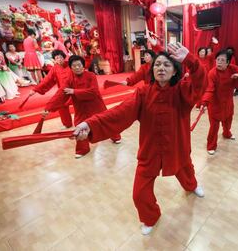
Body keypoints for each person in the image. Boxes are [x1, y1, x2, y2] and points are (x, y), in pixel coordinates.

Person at [73, 43, 206, 235]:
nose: (161, 68)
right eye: (157, 64)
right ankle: (151, 216)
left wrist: (191, 60)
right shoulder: (143, 93)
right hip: (150, 151)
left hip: (177, 147)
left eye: (167, 65)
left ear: (175, 70)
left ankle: (192, 186)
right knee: (139, 194)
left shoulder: (183, 91)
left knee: (185, 170)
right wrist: (90, 124)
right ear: (152, 70)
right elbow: (119, 113)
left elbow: (201, 83)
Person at [43, 55, 121, 158]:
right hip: (81, 109)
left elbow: (94, 92)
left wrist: (74, 91)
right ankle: (82, 149)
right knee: (80, 127)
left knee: (105, 122)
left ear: (83, 66)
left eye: (79, 65)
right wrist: (48, 108)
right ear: (70, 67)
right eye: (74, 66)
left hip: (96, 106)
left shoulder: (91, 75)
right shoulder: (69, 79)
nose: (77, 68)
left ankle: (115, 136)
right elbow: (61, 93)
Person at [200, 50, 238, 155]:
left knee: (228, 119)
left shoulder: (232, 68)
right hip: (215, 104)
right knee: (214, 126)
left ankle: (227, 134)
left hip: (228, 102)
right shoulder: (212, 73)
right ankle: (211, 145)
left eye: (222, 60)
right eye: (217, 60)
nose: (219, 62)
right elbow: (209, 89)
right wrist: (204, 103)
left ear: (227, 63)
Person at [29, 50, 73, 130]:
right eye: (57, 58)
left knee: (82, 105)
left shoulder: (71, 65)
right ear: (54, 60)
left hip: (74, 89)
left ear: (64, 57)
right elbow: (47, 80)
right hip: (63, 92)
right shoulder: (55, 68)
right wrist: (35, 89)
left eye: (60, 57)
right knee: (62, 107)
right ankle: (67, 124)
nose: (59, 59)